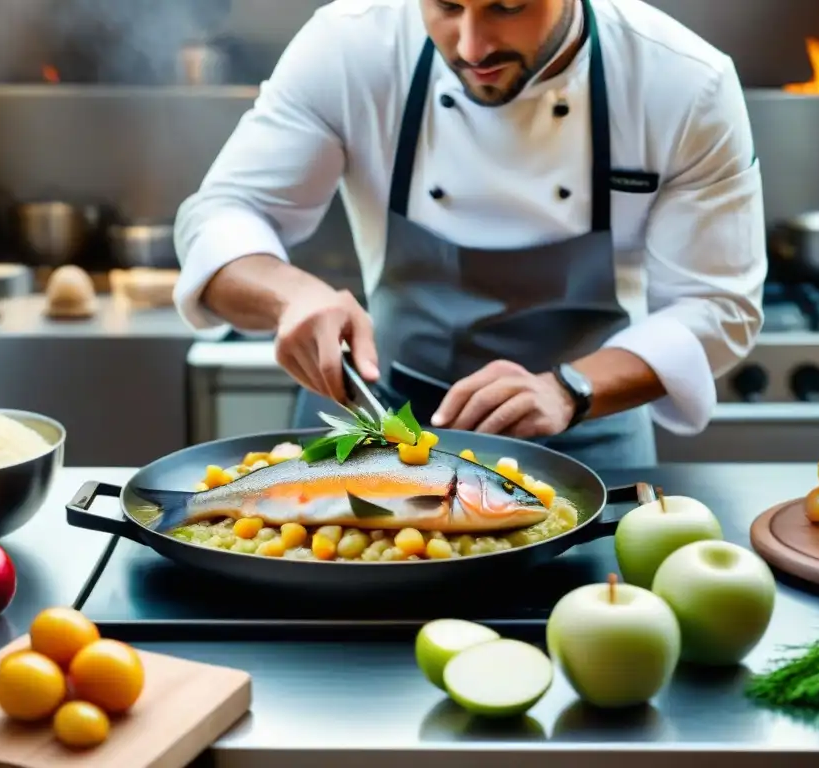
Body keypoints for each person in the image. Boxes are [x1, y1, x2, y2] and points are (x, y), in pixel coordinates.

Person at [173, 0, 767, 469]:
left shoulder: (684, 82)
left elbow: (717, 304)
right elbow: (224, 213)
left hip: (586, 432)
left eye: (507, 7)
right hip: (374, 420)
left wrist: (569, 390)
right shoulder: (350, 45)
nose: (472, 46)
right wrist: (291, 295)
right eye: (447, 6)